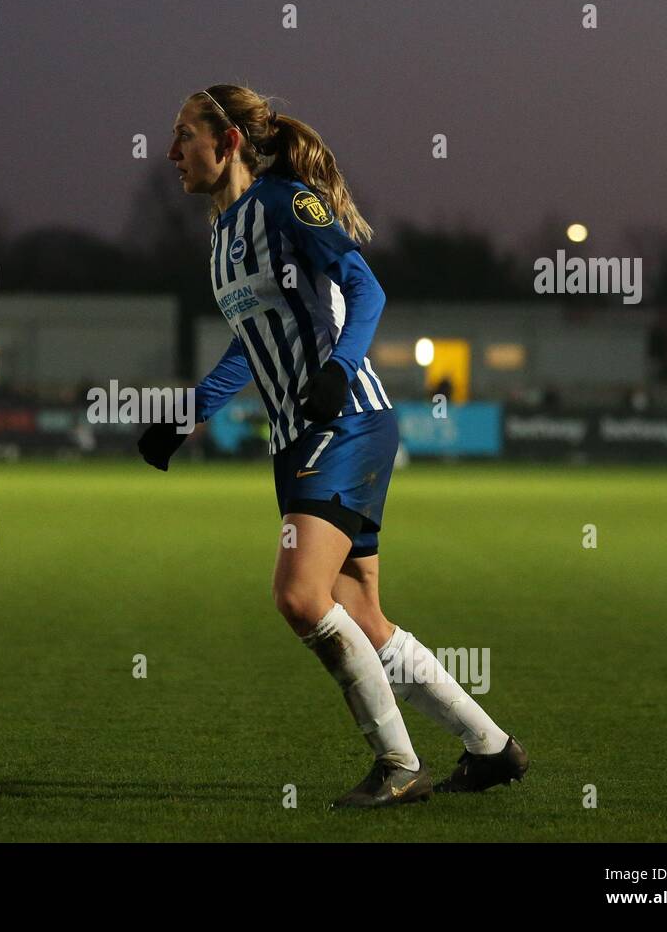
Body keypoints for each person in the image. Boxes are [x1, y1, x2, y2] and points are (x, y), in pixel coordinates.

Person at [138, 84, 528, 808]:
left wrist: (337, 371)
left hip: (345, 422)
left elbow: (365, 286)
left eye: (183, 135)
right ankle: (491, 748)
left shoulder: (287, 203)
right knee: (366, 619)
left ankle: (398, 766)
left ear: (225, 143)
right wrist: (187, 415)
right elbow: (252, 345)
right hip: (298, 439)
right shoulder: (222, 237)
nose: (170, 152)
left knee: (297, 595)